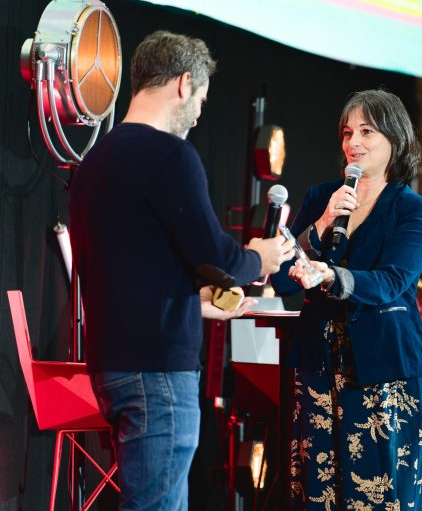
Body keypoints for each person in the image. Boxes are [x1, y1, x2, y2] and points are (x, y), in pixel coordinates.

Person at [68, 31, 295, 510]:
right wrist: (261, 257)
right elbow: (215, 255)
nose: (198, 113)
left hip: (111, 366)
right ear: (185, 82)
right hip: (158, 372)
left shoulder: (93, 162)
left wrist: (192, 305)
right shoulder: (171, 155)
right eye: (202, 99)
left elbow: (123, 268)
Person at [269, 89, 422, 510]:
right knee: (317, 495)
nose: (353, 142)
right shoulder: (323, 195)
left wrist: (332, 275)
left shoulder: (412, 209)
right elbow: (285, 277)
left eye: (366, 131)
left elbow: (393, 280)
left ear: (394, 140)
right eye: (347, 132)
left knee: (379, 497)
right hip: (318, 369)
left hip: (383, 374)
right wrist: (323, 222)